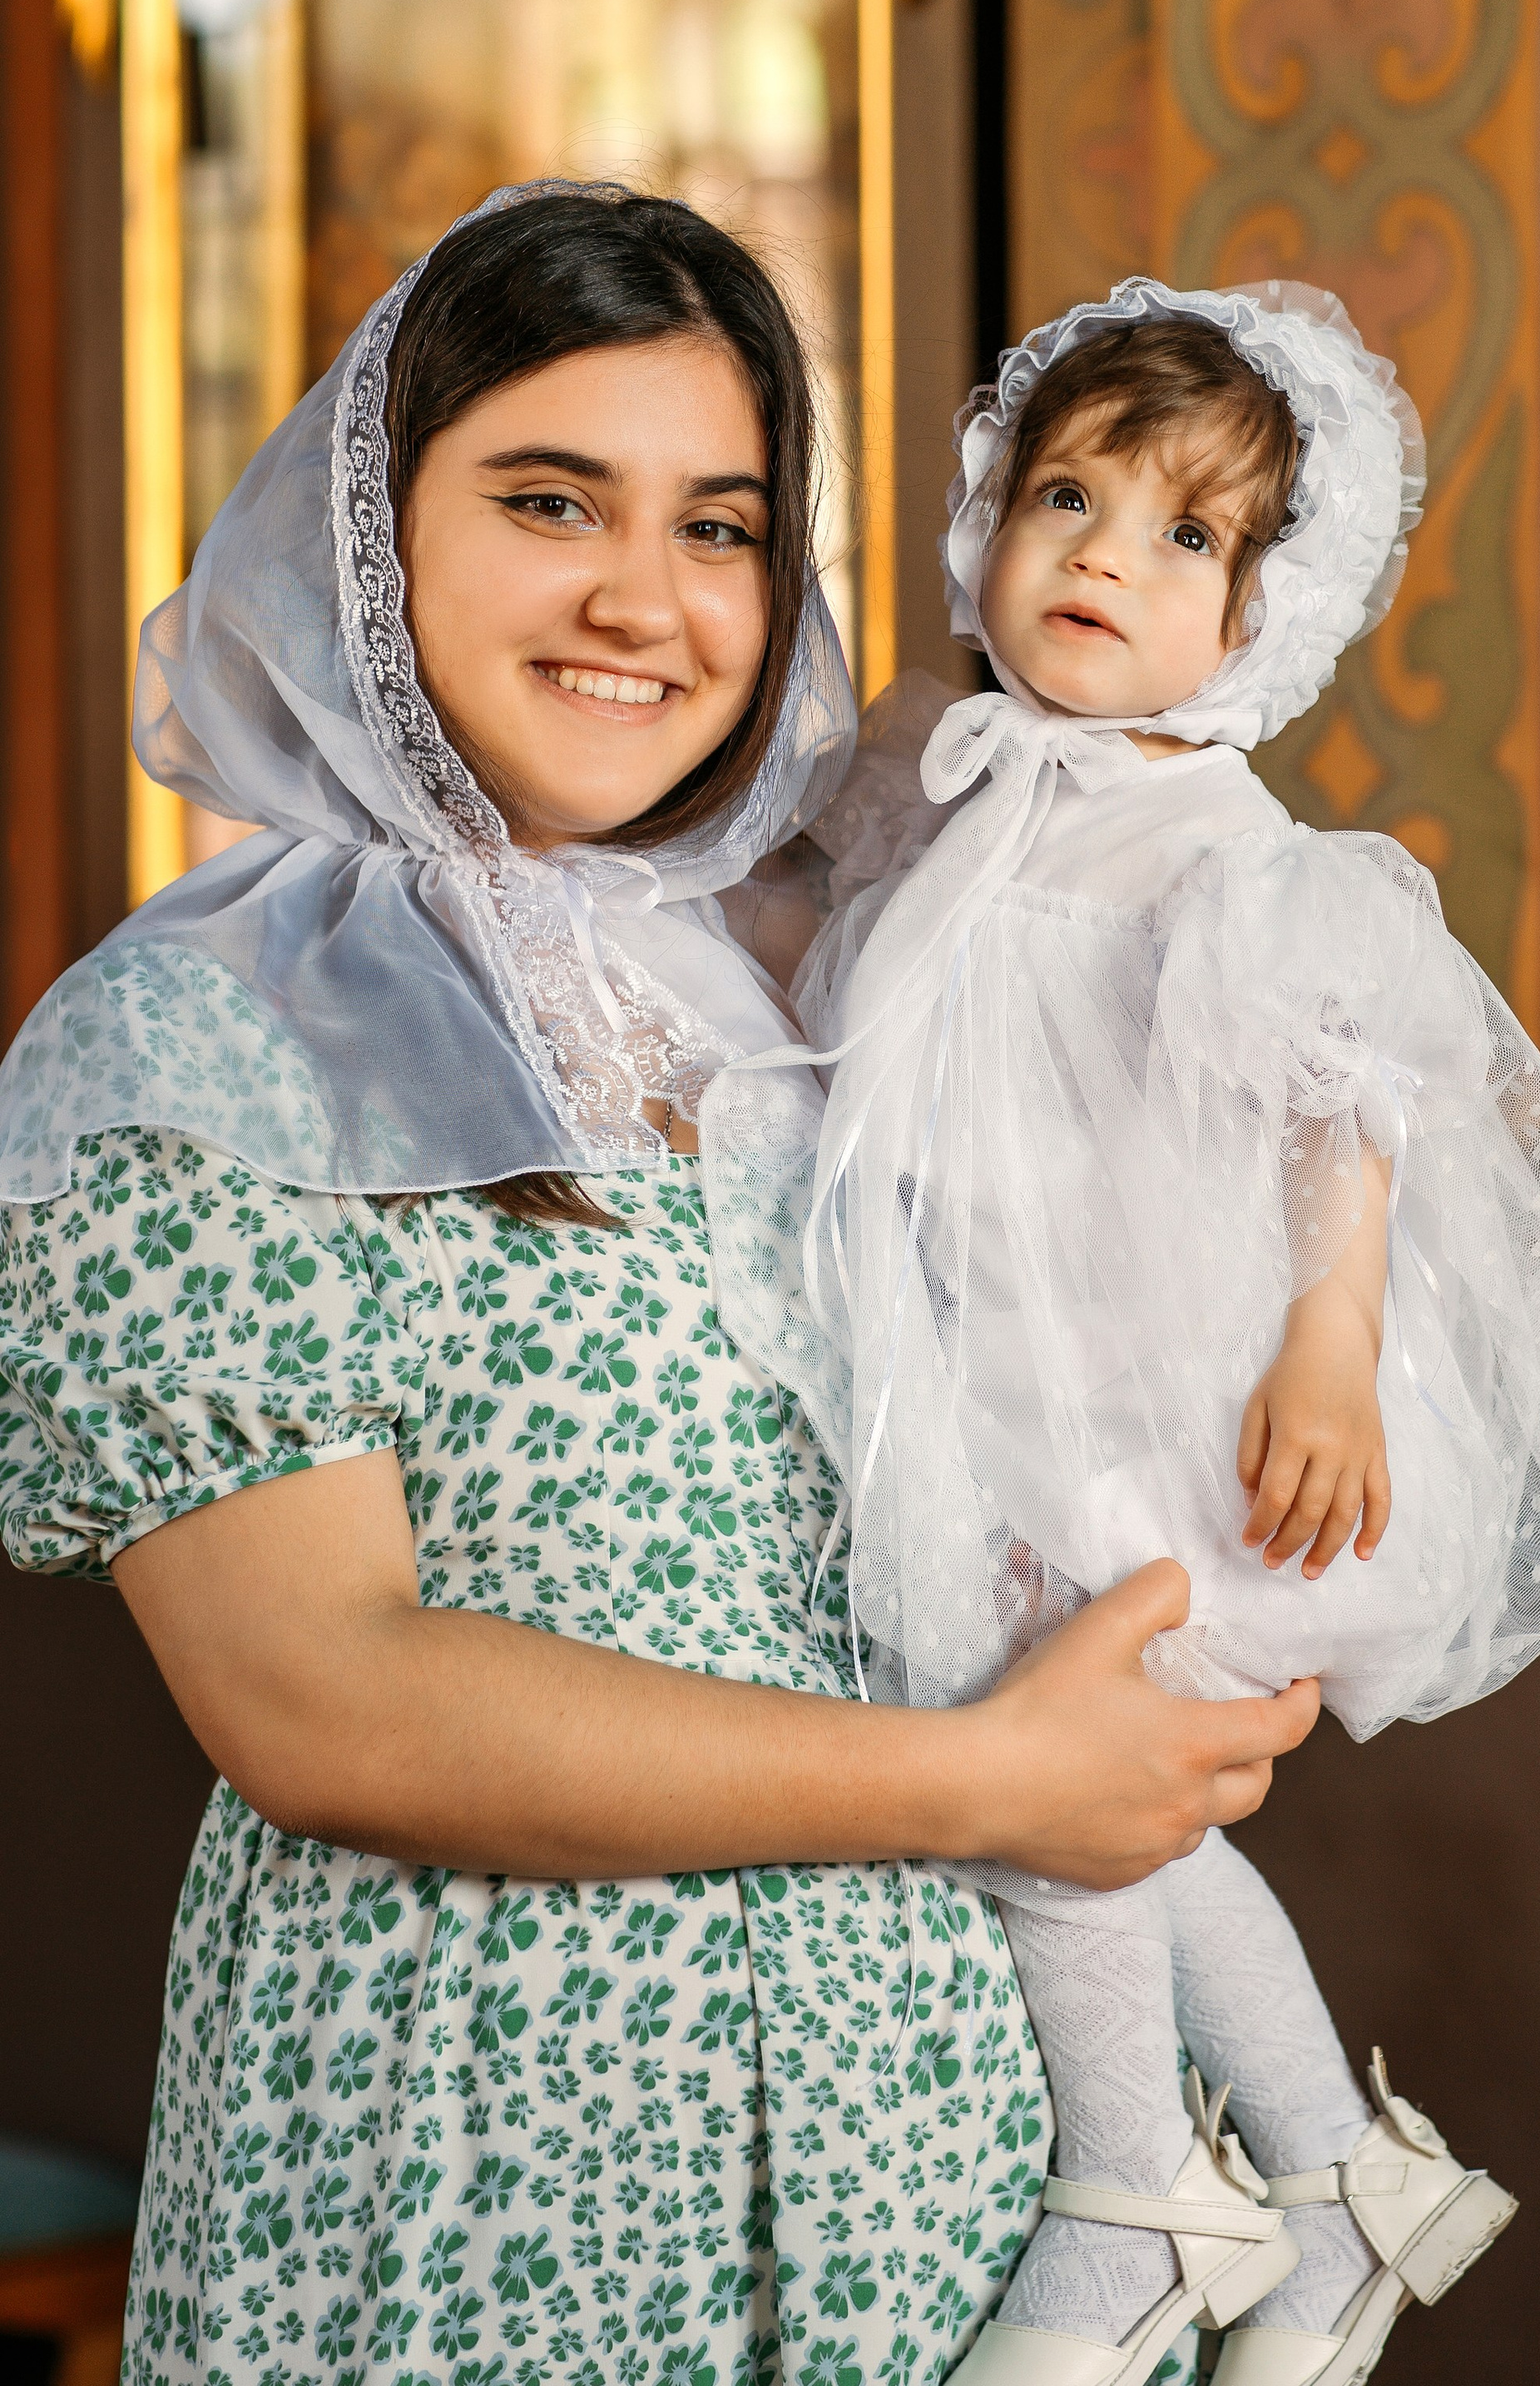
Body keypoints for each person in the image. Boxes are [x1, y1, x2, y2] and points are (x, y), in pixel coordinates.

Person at [0, 193, 1317, 2386]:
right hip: (495, 2164)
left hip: (965, 2180)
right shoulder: (190, 1036)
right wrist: (989, 1782)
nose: (647, 598)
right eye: (547, 502)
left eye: (718, 526)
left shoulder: (826, 982)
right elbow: (324, 1703)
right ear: (371, 524)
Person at [716, 279, 1540, 2386]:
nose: (1099, 551)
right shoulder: (932, 775)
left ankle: (1134, 2187)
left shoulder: (1233, 850)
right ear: (981, 520)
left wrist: (1332, 1333)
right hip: (969, 1366)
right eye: (1064, 493)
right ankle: (1331, 2176)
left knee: (1061, 1778)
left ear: (1266, 613)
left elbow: (1344, 1098)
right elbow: (765, 942)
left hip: (1140, 1394)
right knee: (1115, 1797)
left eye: (1183, 536)